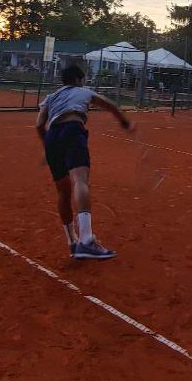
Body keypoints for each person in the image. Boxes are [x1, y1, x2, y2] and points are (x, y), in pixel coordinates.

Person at [36, 64, 133, 260]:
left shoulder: (52, 97)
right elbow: (109, 104)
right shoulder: (83, 92)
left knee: (63, 191)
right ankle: (87, 240)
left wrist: (47, 147)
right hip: (72, 129)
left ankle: (72, 241)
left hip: (52, 136)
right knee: (80, 181)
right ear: (79, 79)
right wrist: (125, 122)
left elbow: (39, 124)